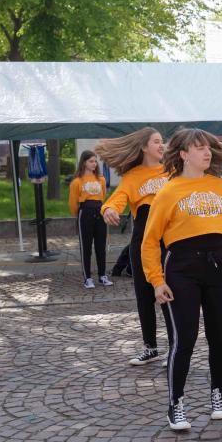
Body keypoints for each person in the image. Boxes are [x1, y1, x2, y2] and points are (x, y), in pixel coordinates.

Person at [141, 128, 222, 430]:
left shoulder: (220, 186)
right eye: (198, 148)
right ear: (183, 154)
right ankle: (176, 402)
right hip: (182, 268)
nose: (207, 152)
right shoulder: (169, 191)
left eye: (208, 147)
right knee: (185, 338)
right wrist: (157, 280)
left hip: (220, 266)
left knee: (220, 335)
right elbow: (150, 241)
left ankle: (217, 392)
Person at [98, 128, 174, 366]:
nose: (161, 145)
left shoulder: (173, 171)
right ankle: (151, 348)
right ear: (143, 147)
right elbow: (117, 200)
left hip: (170, 243)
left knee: (170, 295)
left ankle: (176, 349)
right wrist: (109, 210)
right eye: (156, 142)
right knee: (144, 297)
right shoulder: (132, 176)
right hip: (141, 243)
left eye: (162, 141)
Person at [69, 150, 112, 289]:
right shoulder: (77, 181)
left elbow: (103, 197)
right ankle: (87, 278)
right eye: (91, 161)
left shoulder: (101, 179)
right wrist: (79, 215)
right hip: (85, 213)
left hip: (99, 212)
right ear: (84, 162)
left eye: (95, 161)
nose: (94, 164)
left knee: (101, 246)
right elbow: (73, 203)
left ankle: (102, 275)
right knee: (86, 247)